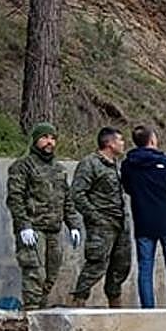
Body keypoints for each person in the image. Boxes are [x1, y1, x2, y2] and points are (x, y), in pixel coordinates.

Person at [5, 122, 81, 310]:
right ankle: (31, 314)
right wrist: (24, 225)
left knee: (50, 276)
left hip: (53, 231)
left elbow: (67, 199)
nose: (49, 142)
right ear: (36, 140)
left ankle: (40, 312)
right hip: (34, 229)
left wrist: (73, 225)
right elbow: (15, 198)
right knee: (34, 274)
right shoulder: (22, 166)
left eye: (53, 138)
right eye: (45, 137)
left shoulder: (59, 169)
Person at [121, 126, 166, 308]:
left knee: (145, 267)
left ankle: (148, 309)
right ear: (152, 140)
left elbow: (127, 187)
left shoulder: (128, 165)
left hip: (143, 222)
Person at [70, 127, 131, 307]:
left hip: (120, 224)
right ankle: (78, 303)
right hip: (101, 226)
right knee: (96, 265)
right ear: (109, 143)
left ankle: (115, 307)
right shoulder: (90, 164)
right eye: (119, 140)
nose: (122, 144)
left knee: (120, 267)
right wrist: (95, 217)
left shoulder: (115, 166)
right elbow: (77, 194)